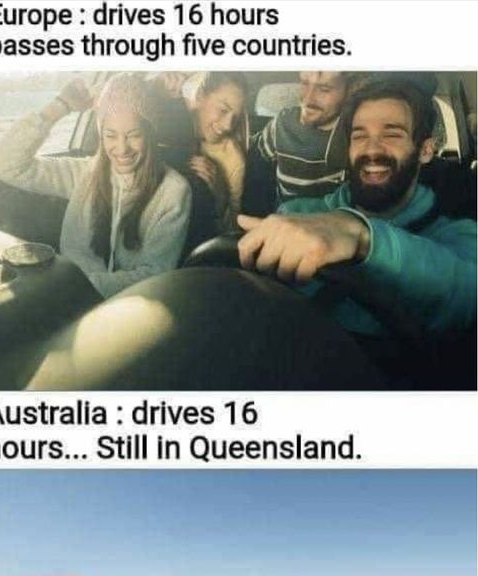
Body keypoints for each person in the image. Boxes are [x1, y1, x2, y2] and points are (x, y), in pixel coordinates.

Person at [238, 81, 477, 384]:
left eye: (391, 134)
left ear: (425, 150)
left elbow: (467, 295)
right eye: (359, 135)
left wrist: (360, 236)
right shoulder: (297, 215)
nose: (372, 149)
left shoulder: (456, 232)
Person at [0, 74, 192, 298]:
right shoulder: (84, 173)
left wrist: (68, 289)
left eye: (134, 135)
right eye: (110, 136)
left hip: (128, 309)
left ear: (150, 134)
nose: (122, 149)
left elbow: (153, 275)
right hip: (67, 299)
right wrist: (60, 107)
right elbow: (4, 164)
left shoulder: (173, 191)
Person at [147, 71, 248, 243]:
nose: (228, 125)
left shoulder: (233, 158)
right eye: (223, 110)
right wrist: (152, 86)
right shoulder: (166, 113)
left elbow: (233, 233)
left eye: (235, 117)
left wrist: (219, 195)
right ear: (199, 97)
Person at [244, 72, 361, 214]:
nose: (308, 98)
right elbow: (252, 155)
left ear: (349, 92)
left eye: (324, 89)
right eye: (305, 83)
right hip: (280, 222)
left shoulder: (354, 135)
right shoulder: (283, 123)